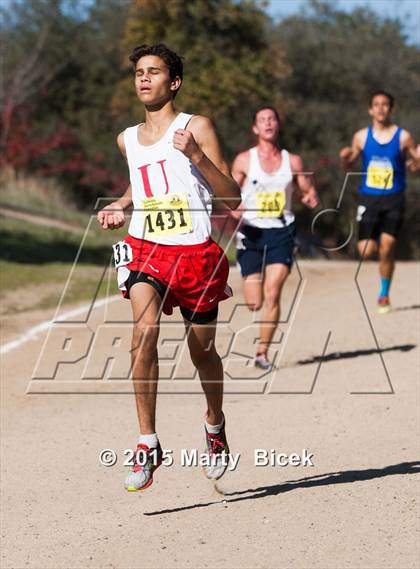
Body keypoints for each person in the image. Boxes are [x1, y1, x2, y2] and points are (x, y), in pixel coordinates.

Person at [97, 44, 241, 491]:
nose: (143, 79)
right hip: (146, 248)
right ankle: (147, 441)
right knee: (143, 334)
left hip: (194, 254)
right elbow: (143, 179)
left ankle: (214, 426)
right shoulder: (126, 138)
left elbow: (232, 197)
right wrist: (121, 205)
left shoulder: (196, 127)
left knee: (202, 353)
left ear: (173, 82)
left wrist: (197, 156)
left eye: (153, 72)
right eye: (139, 72)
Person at [231, 107, 317, 371]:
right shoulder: (244, 160)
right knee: (254, 301)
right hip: (251, 232)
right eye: (262, 120)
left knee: (272, 292)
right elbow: (230, 192)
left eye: (272, 119)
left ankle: (262, 353)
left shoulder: (293, 162)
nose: (268, 123)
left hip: (282, 231)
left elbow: (306, 188)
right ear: (255, 129)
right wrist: (233, 207)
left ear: (278, 126)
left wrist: (310, 196)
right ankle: (262, 347)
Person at [340, 91, 419, 313]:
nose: (381, 108)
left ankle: (384, 294)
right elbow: (349, 165)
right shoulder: (361, 137)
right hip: (369, 199)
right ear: (370, 109)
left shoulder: (403, 137)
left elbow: (416, 161)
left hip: (394, 199)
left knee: (387, 247)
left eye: (385, 105)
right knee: (366, 250)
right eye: (377, 104)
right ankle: (380, 261)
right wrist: (344, 158)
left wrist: (417, 162)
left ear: (391, 109)